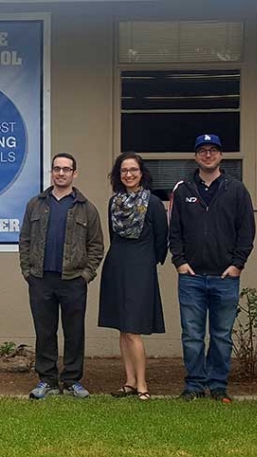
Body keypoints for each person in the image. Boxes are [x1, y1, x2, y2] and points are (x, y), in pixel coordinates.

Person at [169, 133, 255, 403]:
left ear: (221, 155)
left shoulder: (236, 189)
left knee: (221, 336)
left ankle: (218, 385)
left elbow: (246, 231)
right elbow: (175, 231)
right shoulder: (183, 190)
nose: (208, 155)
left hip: (225, 277)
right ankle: (194, 385)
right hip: (192, 277)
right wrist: (180, 262)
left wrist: (238, 264)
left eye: (213, 150)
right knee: (192, 336)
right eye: (203, 150)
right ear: (196, 156)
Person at [19, 152, 105, 399]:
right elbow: (24, 240)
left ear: (74, 174)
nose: (61, 173)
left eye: (67, 169)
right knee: (44, 331)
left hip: (73, 281)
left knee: (74, 332)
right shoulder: (36, 204)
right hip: (41, 279)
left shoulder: (86, 208)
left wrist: (86, 275)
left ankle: (71, 381)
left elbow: (96, 246)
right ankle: (46, 380)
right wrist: (28, 271)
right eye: (57, 168)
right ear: (52, 172)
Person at [98, 153, 167, 401]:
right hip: (116, 266)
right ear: (118, 175)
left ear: (142, 173)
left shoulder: (154, 203)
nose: (129, 174)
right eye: (124, 170)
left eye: (133, 170)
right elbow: (112, 236)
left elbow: (162, 241)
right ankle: (128, 381)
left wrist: (148, 263)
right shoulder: (114, 202)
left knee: (133, 328)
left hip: (142, 268)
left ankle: (142, 384)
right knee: (122, 328)